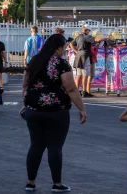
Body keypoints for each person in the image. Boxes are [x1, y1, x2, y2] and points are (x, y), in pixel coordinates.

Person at [21, 34, 87, 192]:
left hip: (34, 111)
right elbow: (71, 88)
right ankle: (57, 184)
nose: (65, 50)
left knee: (35, 146)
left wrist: (26, 104)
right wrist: (82, 108)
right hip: (56, 111)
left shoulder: (34, 61)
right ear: (57, 47)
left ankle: (30, 182)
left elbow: (25, 85)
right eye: (64, 47)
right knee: (55, 147)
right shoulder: (61, 64)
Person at [69, 25, 100, 98]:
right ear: (87, 30)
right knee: (85, 75)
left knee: (79, 75)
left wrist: (76, 51)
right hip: (85, 56)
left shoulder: (79, 36)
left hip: (79, 55)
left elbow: (71, 43)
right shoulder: (86, 36)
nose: (90, 32)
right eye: (89, 30)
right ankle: (84, 91)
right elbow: (96, 40)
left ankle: (77, 91)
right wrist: (106, 38)